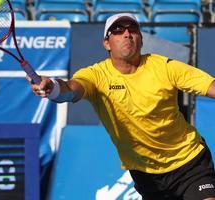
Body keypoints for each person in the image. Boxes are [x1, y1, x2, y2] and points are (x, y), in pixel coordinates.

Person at [27, 13, 215, 200]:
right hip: (146, 174)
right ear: (106, 43)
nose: (127, 34)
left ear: (140, 40)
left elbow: (210, 86)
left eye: (132, 29)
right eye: (117, 30)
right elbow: (71, 89)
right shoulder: (96, 75)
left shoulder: (165, 67)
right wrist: (53, 87)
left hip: (189, 161)